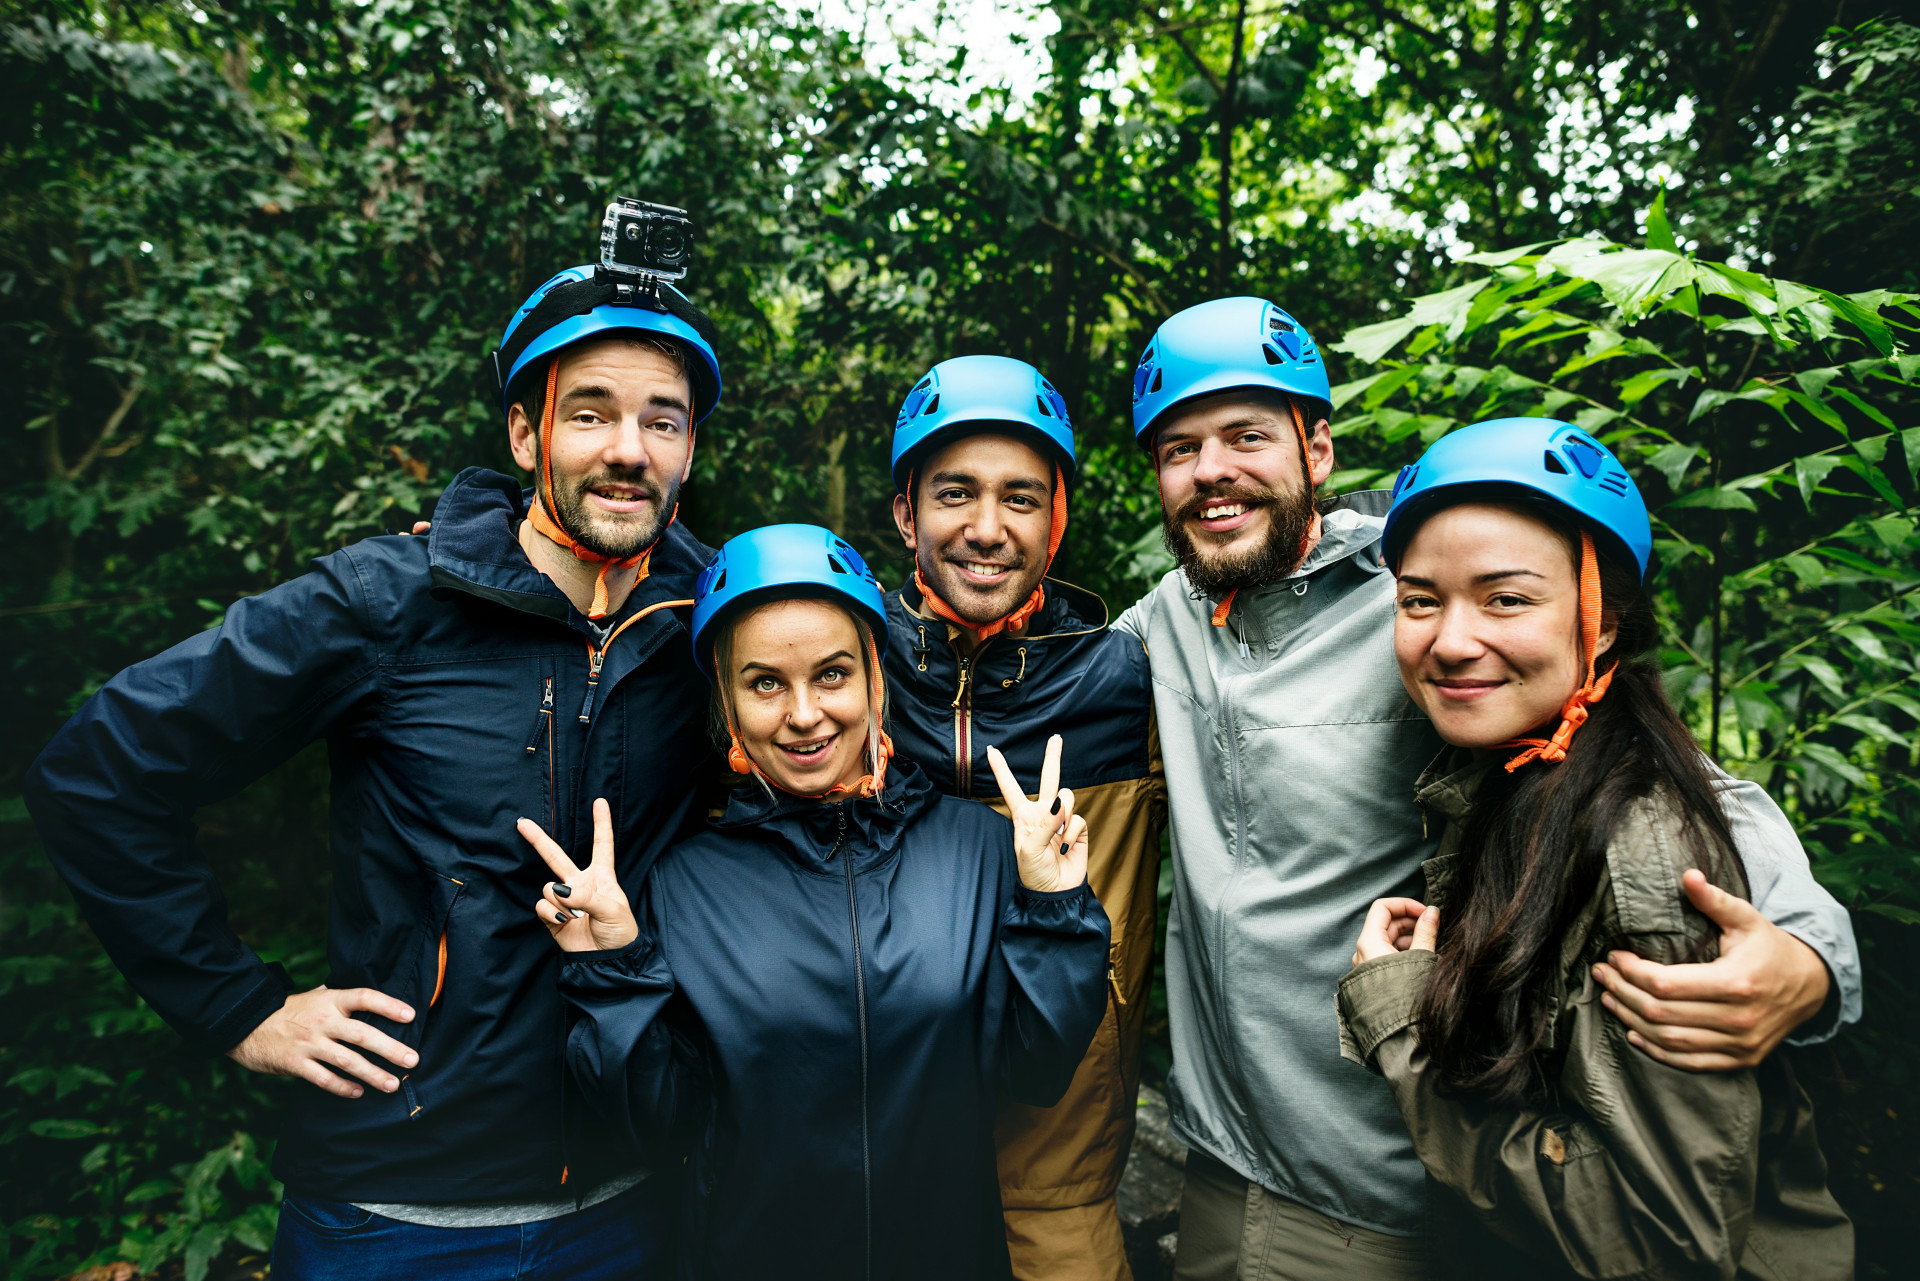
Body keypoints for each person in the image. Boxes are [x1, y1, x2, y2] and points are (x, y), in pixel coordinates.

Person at [1114, 296, 1862, 1280]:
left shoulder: (1417, 603)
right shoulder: (1163, 623)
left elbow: (1671, 783)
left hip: (1399, 1173)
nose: (1213, 469)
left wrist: (1809, 953)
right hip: (1225, 1151)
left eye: (1247, 435)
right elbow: (1031, 677)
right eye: (1180, 449)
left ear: (1317, 449)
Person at [24, 257, 730, 1278]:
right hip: (394, 1217)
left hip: (631, 1208)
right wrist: (237, 1007)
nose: (628, 449)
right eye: (589, 413)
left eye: (662, 420)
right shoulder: (389, 603)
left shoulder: (714, 627)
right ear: (525, 434)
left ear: (689, 448)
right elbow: (98, 768)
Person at [523, 523, 1112, 1280]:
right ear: (727, 703)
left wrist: (1055, 906)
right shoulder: (680, 883)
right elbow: (657, 1124)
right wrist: (611, 972)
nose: (804, 714)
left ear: (874, 679)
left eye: (832, 674)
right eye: (765, 683)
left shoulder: (982, 850)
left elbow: (1036, 1069)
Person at [1339, 416, 1852, 1277]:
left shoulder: (1638, 852)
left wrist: (1402, 1027)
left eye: (1506, 598)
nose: (1451, 641)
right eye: (1420, 600)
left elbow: (1661, 1239)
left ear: (1603, 621)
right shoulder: (1518, 774)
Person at [883, 355, 1165, 1279]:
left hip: (1060, 1191)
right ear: (906, 513)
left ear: (1058, 519)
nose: (987, 527)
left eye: (1021, 497)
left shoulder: (1127, 680)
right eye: (955, 492)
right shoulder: (845, 670)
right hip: (872, 1174)